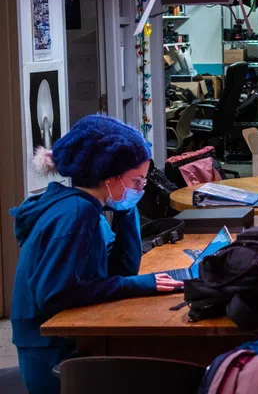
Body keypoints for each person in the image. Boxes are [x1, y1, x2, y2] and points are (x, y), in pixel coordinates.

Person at [11, 115, 183, 393]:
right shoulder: (76, 214)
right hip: (52, 348)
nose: (141, 189)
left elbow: (123, 270)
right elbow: (56, 293)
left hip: (63, 337)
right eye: (136, 181)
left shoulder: (90, 207)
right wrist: (137, 285)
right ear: (109, 178)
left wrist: (126, 208)